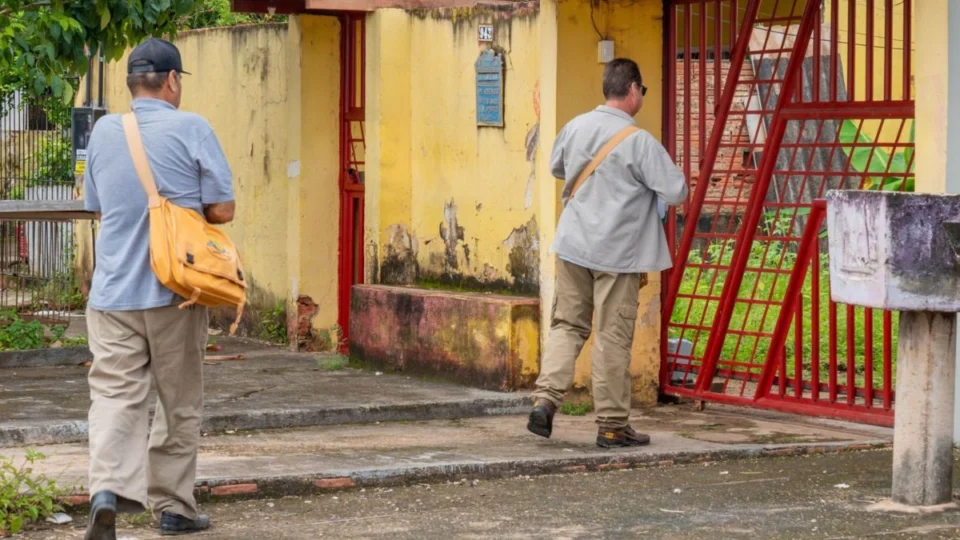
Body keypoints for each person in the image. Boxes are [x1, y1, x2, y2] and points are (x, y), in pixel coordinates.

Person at [82, 38, 235, 539]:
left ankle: (107, 490)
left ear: (132, 83)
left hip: (111, 295)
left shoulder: (104, 132)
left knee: (114, 394)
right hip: (177, 290)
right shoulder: (193, 127)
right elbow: (223, 209)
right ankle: (174, 507)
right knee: (178, 401)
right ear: (172, 80)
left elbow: (97, 206)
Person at [527, 58, 687, 448]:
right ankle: (613, 425)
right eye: (643, 91)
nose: (642, 97)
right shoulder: (641, 142)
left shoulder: (575, 126)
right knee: (612, 338)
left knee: (567, 325)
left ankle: (545, 402)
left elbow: (556, 168)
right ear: (633, 89)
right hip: (619, 253)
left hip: (573, 245)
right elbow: (677, 191)